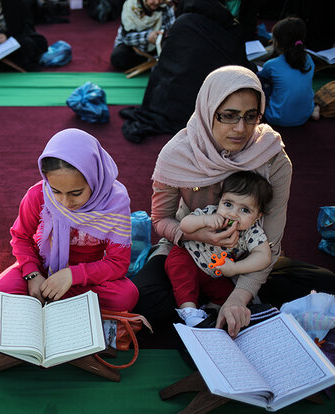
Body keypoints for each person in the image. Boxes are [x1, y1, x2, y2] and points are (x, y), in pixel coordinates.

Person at [131, 65, 335, 337]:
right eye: (229, 116)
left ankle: (216, 307)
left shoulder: (271, 157)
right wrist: (199, 234)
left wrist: (239, 298)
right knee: (146, 303)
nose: (241, 128)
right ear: (208, 110)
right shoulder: (177, 155)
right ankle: (211, 309)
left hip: (247, 254)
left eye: (251, 116)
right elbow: (161, 220)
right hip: (187, 248)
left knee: (325, 285)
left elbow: (271, 240)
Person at [0, 128, 139, 311]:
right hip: (42, 269)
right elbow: (21, 237)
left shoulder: (114, 204)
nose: (65, 202)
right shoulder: (38, 195)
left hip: (86, 277)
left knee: (126, 296)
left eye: (76, 193)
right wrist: (32, 275)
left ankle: (48, 301)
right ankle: (61, 301)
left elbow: (117, 263)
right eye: (56, 191)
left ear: (95, 178)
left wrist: (72, 276)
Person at [120, 0, 251, 143]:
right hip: (217, 99)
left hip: (179, 102)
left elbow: (164, 68)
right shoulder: (229, 27)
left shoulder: (183, 23)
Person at [169, 171, 273, 326]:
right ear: (220, 201)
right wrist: (204, 220)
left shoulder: (251, 231)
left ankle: (211, 311)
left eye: (244, 210)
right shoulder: (211, 213)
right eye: (228, 204)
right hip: (190, 257)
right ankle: (189, 311)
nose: (233, 214)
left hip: (215, 273)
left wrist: (236, 268)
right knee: (181, 271)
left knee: (229, 294)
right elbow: (184, 225)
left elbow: (264, 256)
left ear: (258, 216)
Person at [258, 17, 318, 127]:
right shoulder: (308, 59)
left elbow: (261, 76)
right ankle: (313, 109)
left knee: (261, 82)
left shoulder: (272, 64)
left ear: (275, 42)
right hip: (304, 116)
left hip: (276, 118)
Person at [110, 0, 175, 72]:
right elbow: (126, 37)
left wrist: (160, 37)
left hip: (154, 48)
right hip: (132, 47)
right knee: (118, 57)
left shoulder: (165, 8)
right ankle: (151, 62)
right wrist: (147, 36)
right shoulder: (130, 6)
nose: (157, 2)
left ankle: (154, 61)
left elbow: (171, 32)